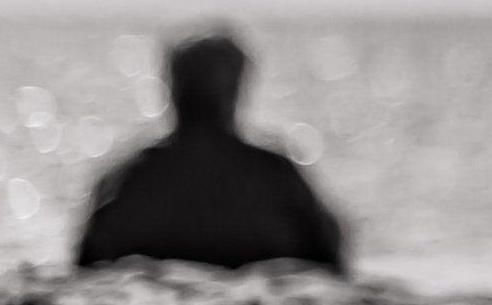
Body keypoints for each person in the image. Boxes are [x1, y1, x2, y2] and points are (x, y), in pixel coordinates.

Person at [77, 31, 346, 273]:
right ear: (236, 89)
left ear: (171, 88)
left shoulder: (125, 180)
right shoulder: (276, 177)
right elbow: (332, 259)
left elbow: (85, 264)